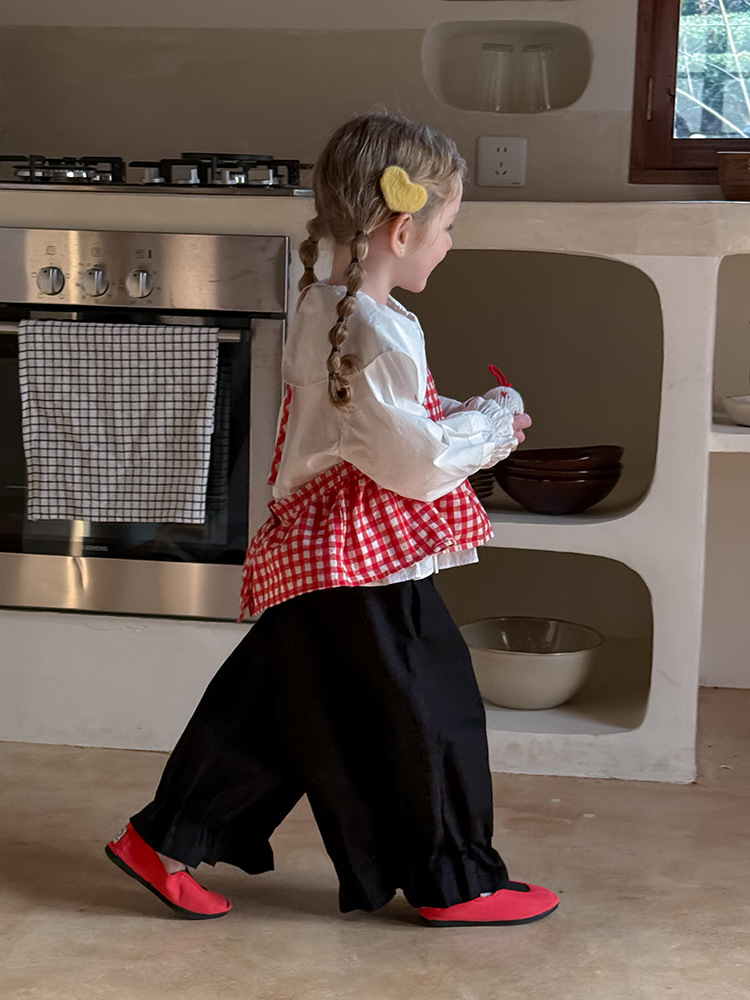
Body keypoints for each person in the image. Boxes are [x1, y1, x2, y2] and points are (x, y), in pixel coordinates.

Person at [105, 110, 559, 928]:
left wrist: (458, 414)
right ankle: (455, 881)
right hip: (361, 559)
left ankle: (163, 839)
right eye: (448, 226)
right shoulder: (372, 329)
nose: (450, 243)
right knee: (431, 704)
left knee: (274, 711)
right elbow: (413, 465)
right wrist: (493, 425)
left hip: (317, 552)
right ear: (401, 228)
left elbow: (376, 429)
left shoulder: (333, 307)